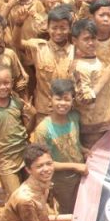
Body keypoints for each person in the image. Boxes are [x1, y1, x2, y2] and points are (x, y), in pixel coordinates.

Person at [30, 79, 88, 213]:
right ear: (50, 99)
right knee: (67, 211)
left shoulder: (74, 118)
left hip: (80, 175)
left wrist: (84, 150)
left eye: (67, 99)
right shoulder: (43, 129)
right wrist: (75, 166)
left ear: (73, 100)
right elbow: (44, 163)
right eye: (58, 99)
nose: (62, 103)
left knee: (83, 207)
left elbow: (75, 142)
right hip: (61, 182)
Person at [0, 64, 36, 196]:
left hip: (25, 153)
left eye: (6, 83)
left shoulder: (18, 102)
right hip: (6, 160)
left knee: (32, 193)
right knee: (16, 197)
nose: (2, 87)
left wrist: (33, 115)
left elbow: (27, 132)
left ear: (12, 83)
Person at [71, 19, 110, 149]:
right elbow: (84, 100)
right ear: (75, 41)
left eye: (93, 38)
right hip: (92, 128)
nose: (91, 42)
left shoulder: (94, 59)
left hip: (104, 122)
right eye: (86, 39)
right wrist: (103, 80)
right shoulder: (79, 67)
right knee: (94, 158)